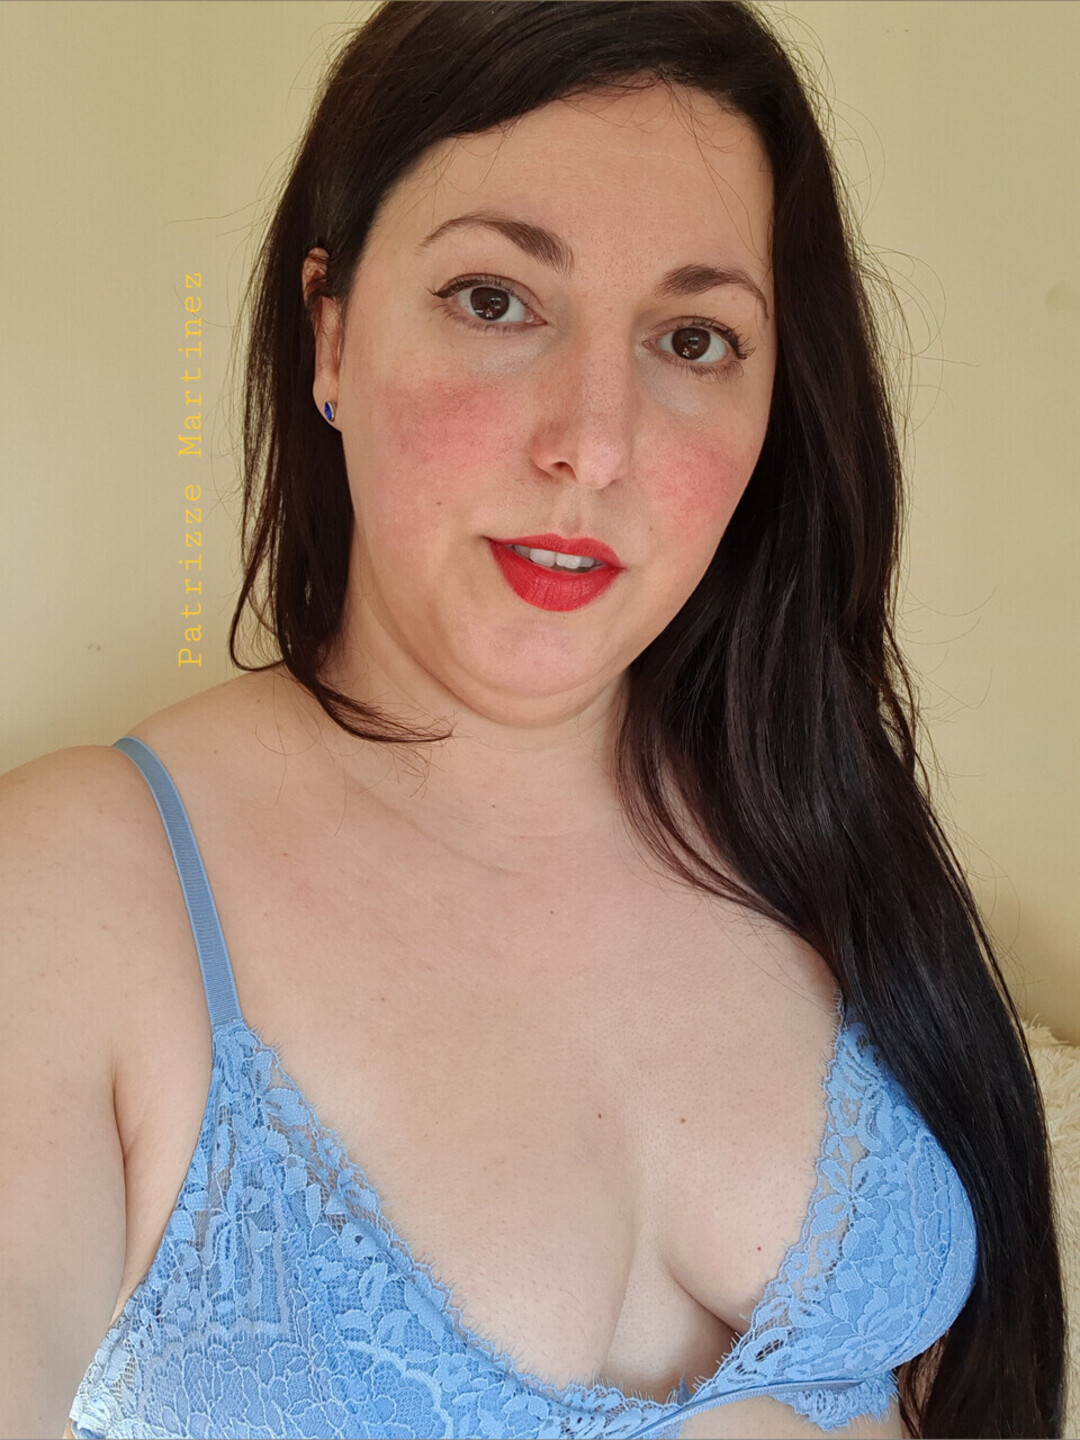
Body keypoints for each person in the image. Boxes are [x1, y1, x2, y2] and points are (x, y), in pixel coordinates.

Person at [0, 3, 1065, 1438]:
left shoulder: (810, 811)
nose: (595, 443)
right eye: (495, 300)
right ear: (330, 331)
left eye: (694, 338)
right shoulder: (69, 892)